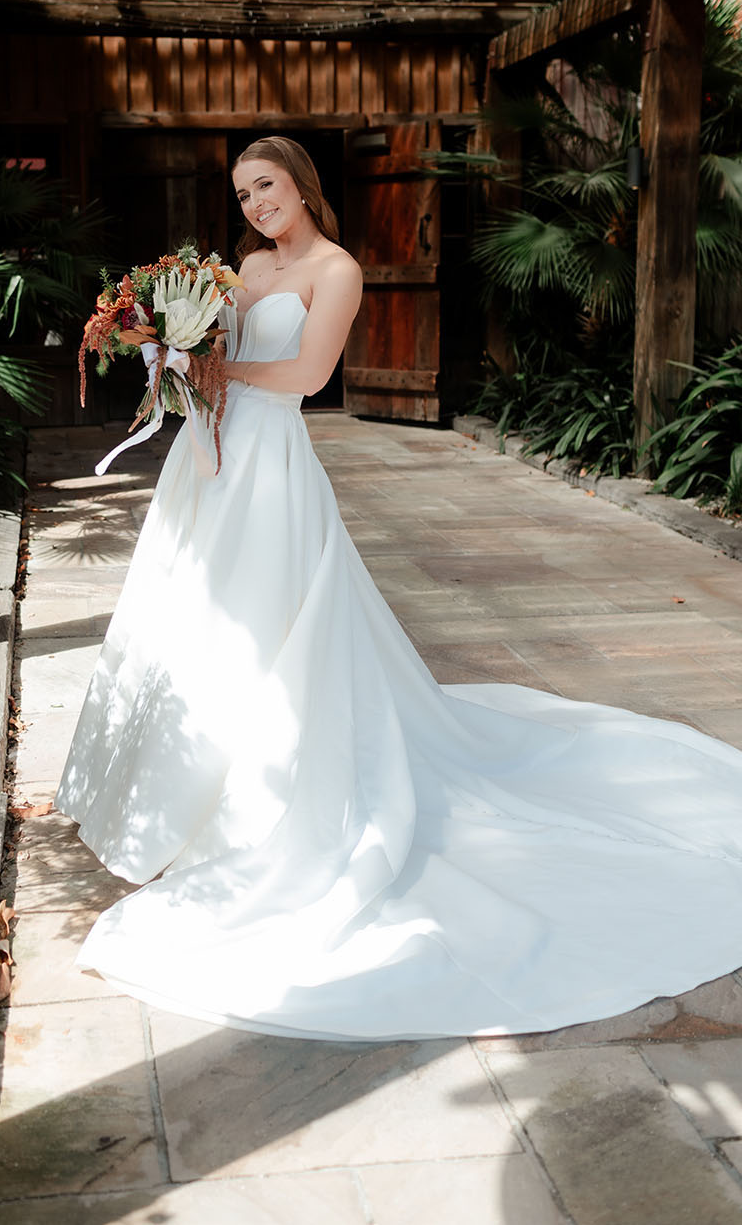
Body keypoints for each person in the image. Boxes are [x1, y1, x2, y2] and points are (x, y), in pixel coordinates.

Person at [55, 136, 742, 1042]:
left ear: (302, 185)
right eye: (242, 192)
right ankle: (167, 787)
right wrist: (162, 344)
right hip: (205, 459)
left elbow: (307, 378)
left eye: (266, 186)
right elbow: (203, 351)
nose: (255, 204)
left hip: (269, 461)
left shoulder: (335, 269)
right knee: (188, 616)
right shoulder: (244, 267)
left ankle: (256, 800)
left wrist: (216, 369)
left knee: (268, 629)